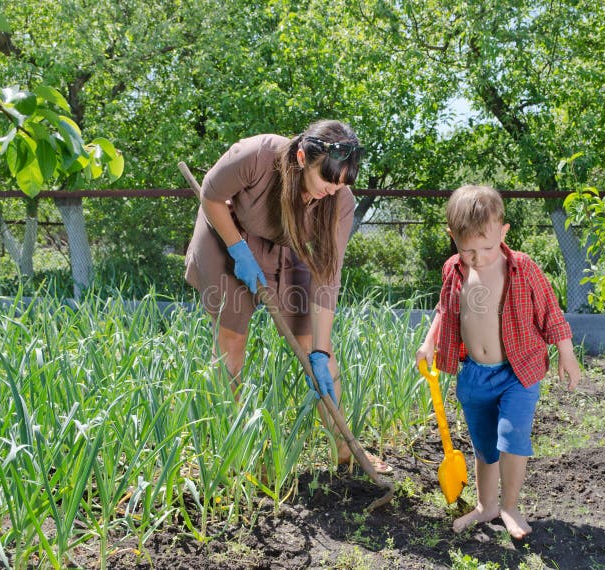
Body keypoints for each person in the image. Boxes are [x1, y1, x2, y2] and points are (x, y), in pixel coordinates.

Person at [185, 119, 391, 473]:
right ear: (301, 157)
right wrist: (238, 250)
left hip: (287, 242)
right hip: (228, 233)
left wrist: (320, 351)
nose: (333, 189)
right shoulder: (257, 155)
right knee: (232, 336)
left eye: (341, 182)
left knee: (315, 343)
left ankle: (344, 449)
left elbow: (327, 276)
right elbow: (211, 194)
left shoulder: (338, 201)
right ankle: (237, 449)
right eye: (327, 179)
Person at [416, 185, 580, 539]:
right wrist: (429, 343)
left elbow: (551, 313)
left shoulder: (522, 268)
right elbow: (445, 310)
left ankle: (509, 506)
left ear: (503, 232)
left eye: (487, 247)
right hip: (474, 375)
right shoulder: (454, 270)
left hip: (517, 372)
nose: (478, 257)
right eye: (467, 249)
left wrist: (566, 353)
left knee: (512, 437)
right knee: (485, 445)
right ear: (453, 238)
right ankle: (486, 505)